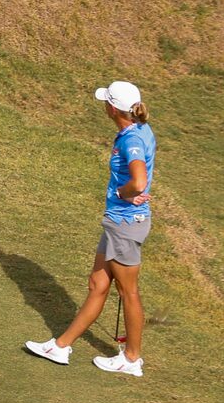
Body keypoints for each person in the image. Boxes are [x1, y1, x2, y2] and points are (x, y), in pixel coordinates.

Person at [26, 81, 156, 378]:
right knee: (97, 285)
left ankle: (132, 359)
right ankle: (60, 346)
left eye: (105, 102)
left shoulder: (130, 141)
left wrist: (124, 193)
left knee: (128, 293)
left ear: (112, 108)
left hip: (125, 224)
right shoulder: (139, 129)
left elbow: (137, 181)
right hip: (119, 223)